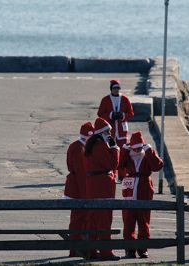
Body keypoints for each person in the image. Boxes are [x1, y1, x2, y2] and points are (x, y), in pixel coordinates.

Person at [118, 131, 163, 259]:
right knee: (128, 222)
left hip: (144, 190)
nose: (137, 150)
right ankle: (130, 249)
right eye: (135, 147)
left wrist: (149, 151)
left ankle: (143, 249)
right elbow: (119, 165)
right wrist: (124, 150)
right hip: (129, 191)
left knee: (144, 222)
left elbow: (157, 166)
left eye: (139, 147)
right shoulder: (128, 155)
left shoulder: (147, 155)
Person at [84, 117, 120, 261]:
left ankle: (92, 251)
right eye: (108, 132)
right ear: (103, 132)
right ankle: (106, 252)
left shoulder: (90, 145)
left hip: (93, 186)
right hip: (103, 186)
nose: (110, 134)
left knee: (93, 220)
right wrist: (115, 148)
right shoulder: (100, 145)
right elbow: (112, 164)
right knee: (105, 220)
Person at [63, 122, 94, 257]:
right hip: (79, 190)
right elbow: (81, 174)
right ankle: (76, 249)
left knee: (77, 220)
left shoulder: (75, 146)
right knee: (79, 220)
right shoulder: (80, 148)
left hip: (75, 188)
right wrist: (86, 195)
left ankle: (76, 248)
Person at [97, 80, 134, 181]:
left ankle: (122, 175)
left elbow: (131, 113)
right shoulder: (105, 100)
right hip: (111, 131)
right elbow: (100, 113)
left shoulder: (125, 99)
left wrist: (122, 116)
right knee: (111, 152)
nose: (116, 90)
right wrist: (110, 115)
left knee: (123, 152)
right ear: (111, 89)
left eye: (118, 88)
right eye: (114, 88)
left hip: (122, 131)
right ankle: (112, 173)